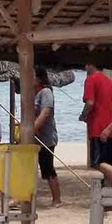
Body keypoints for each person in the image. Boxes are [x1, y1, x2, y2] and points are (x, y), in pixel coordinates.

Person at [30, 66, 62, 207]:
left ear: (39, 78)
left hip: (46, 137)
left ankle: (57, 199)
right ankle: (23, 197)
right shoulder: (33, 93)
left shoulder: (46, 92)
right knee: (27, 167)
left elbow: (45, 113)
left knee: (47, 168)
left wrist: (33, 128)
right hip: (33, 138)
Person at [81, 64, 112, 172]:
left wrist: (83, 114)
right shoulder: (109, 81)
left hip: (99, 129)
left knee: (98, 165)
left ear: (91, 65)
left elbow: (90, 103)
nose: (85, 67)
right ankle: (109, 187)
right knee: (111, 164)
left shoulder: (90, 79)